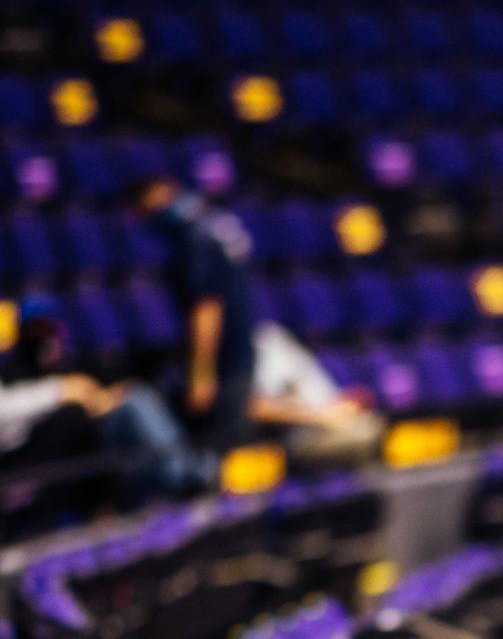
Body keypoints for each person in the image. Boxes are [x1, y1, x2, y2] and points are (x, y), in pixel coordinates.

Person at [0, 291, 202, 502]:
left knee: (112, 411)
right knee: (82, 419)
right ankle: (187, 479)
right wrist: (62, 390)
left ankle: (181, 478)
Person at [135, 176, 260, 451]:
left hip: (223, 362)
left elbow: (207, 308)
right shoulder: (215, 224)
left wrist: (202, 374)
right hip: (241, 352)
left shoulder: (194, 239)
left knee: (222, 453)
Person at [248, 323, 383, 465]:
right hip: (300, 435)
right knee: (365, 432)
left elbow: (320, 396)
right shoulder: (261, 343)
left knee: (372, 424)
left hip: (330, 418)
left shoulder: (275, 335)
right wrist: (322, 415)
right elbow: (259, 407)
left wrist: (343, 406)